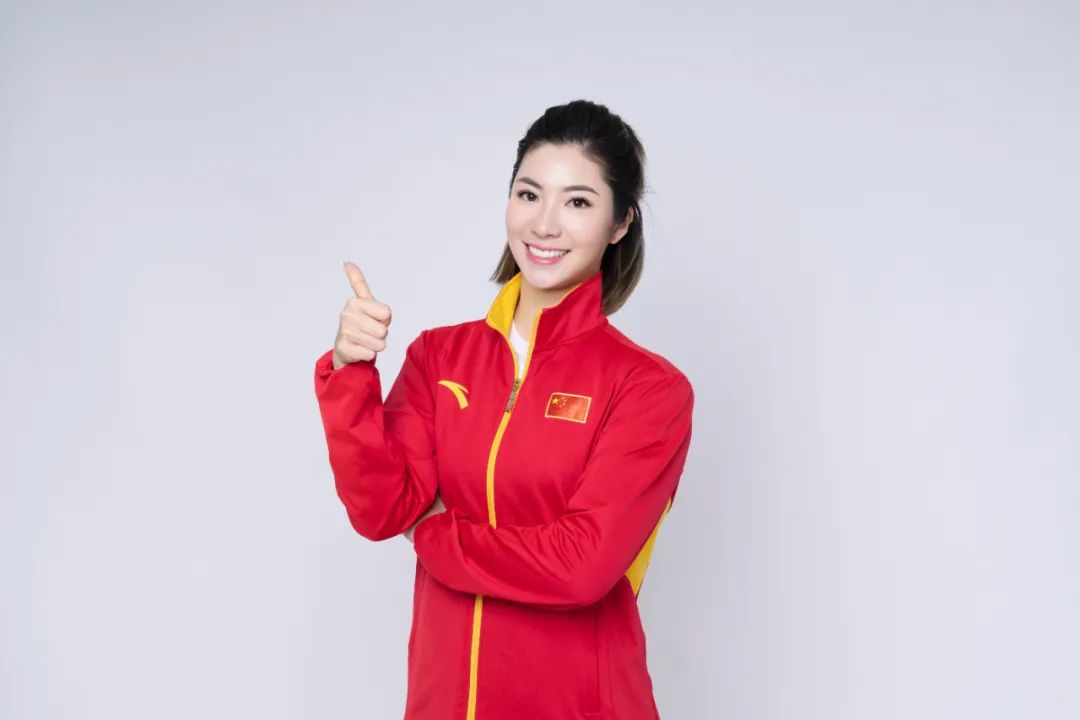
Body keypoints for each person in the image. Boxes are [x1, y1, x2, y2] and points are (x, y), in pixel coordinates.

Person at [313, 99, 695, 720]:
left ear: (620, 223)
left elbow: (581, 566)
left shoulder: (648, 388)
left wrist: (436, 533)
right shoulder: (440, 357)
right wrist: (350, 372)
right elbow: (381, 509)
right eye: (529, 194)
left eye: (577, 202)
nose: (544, 224)